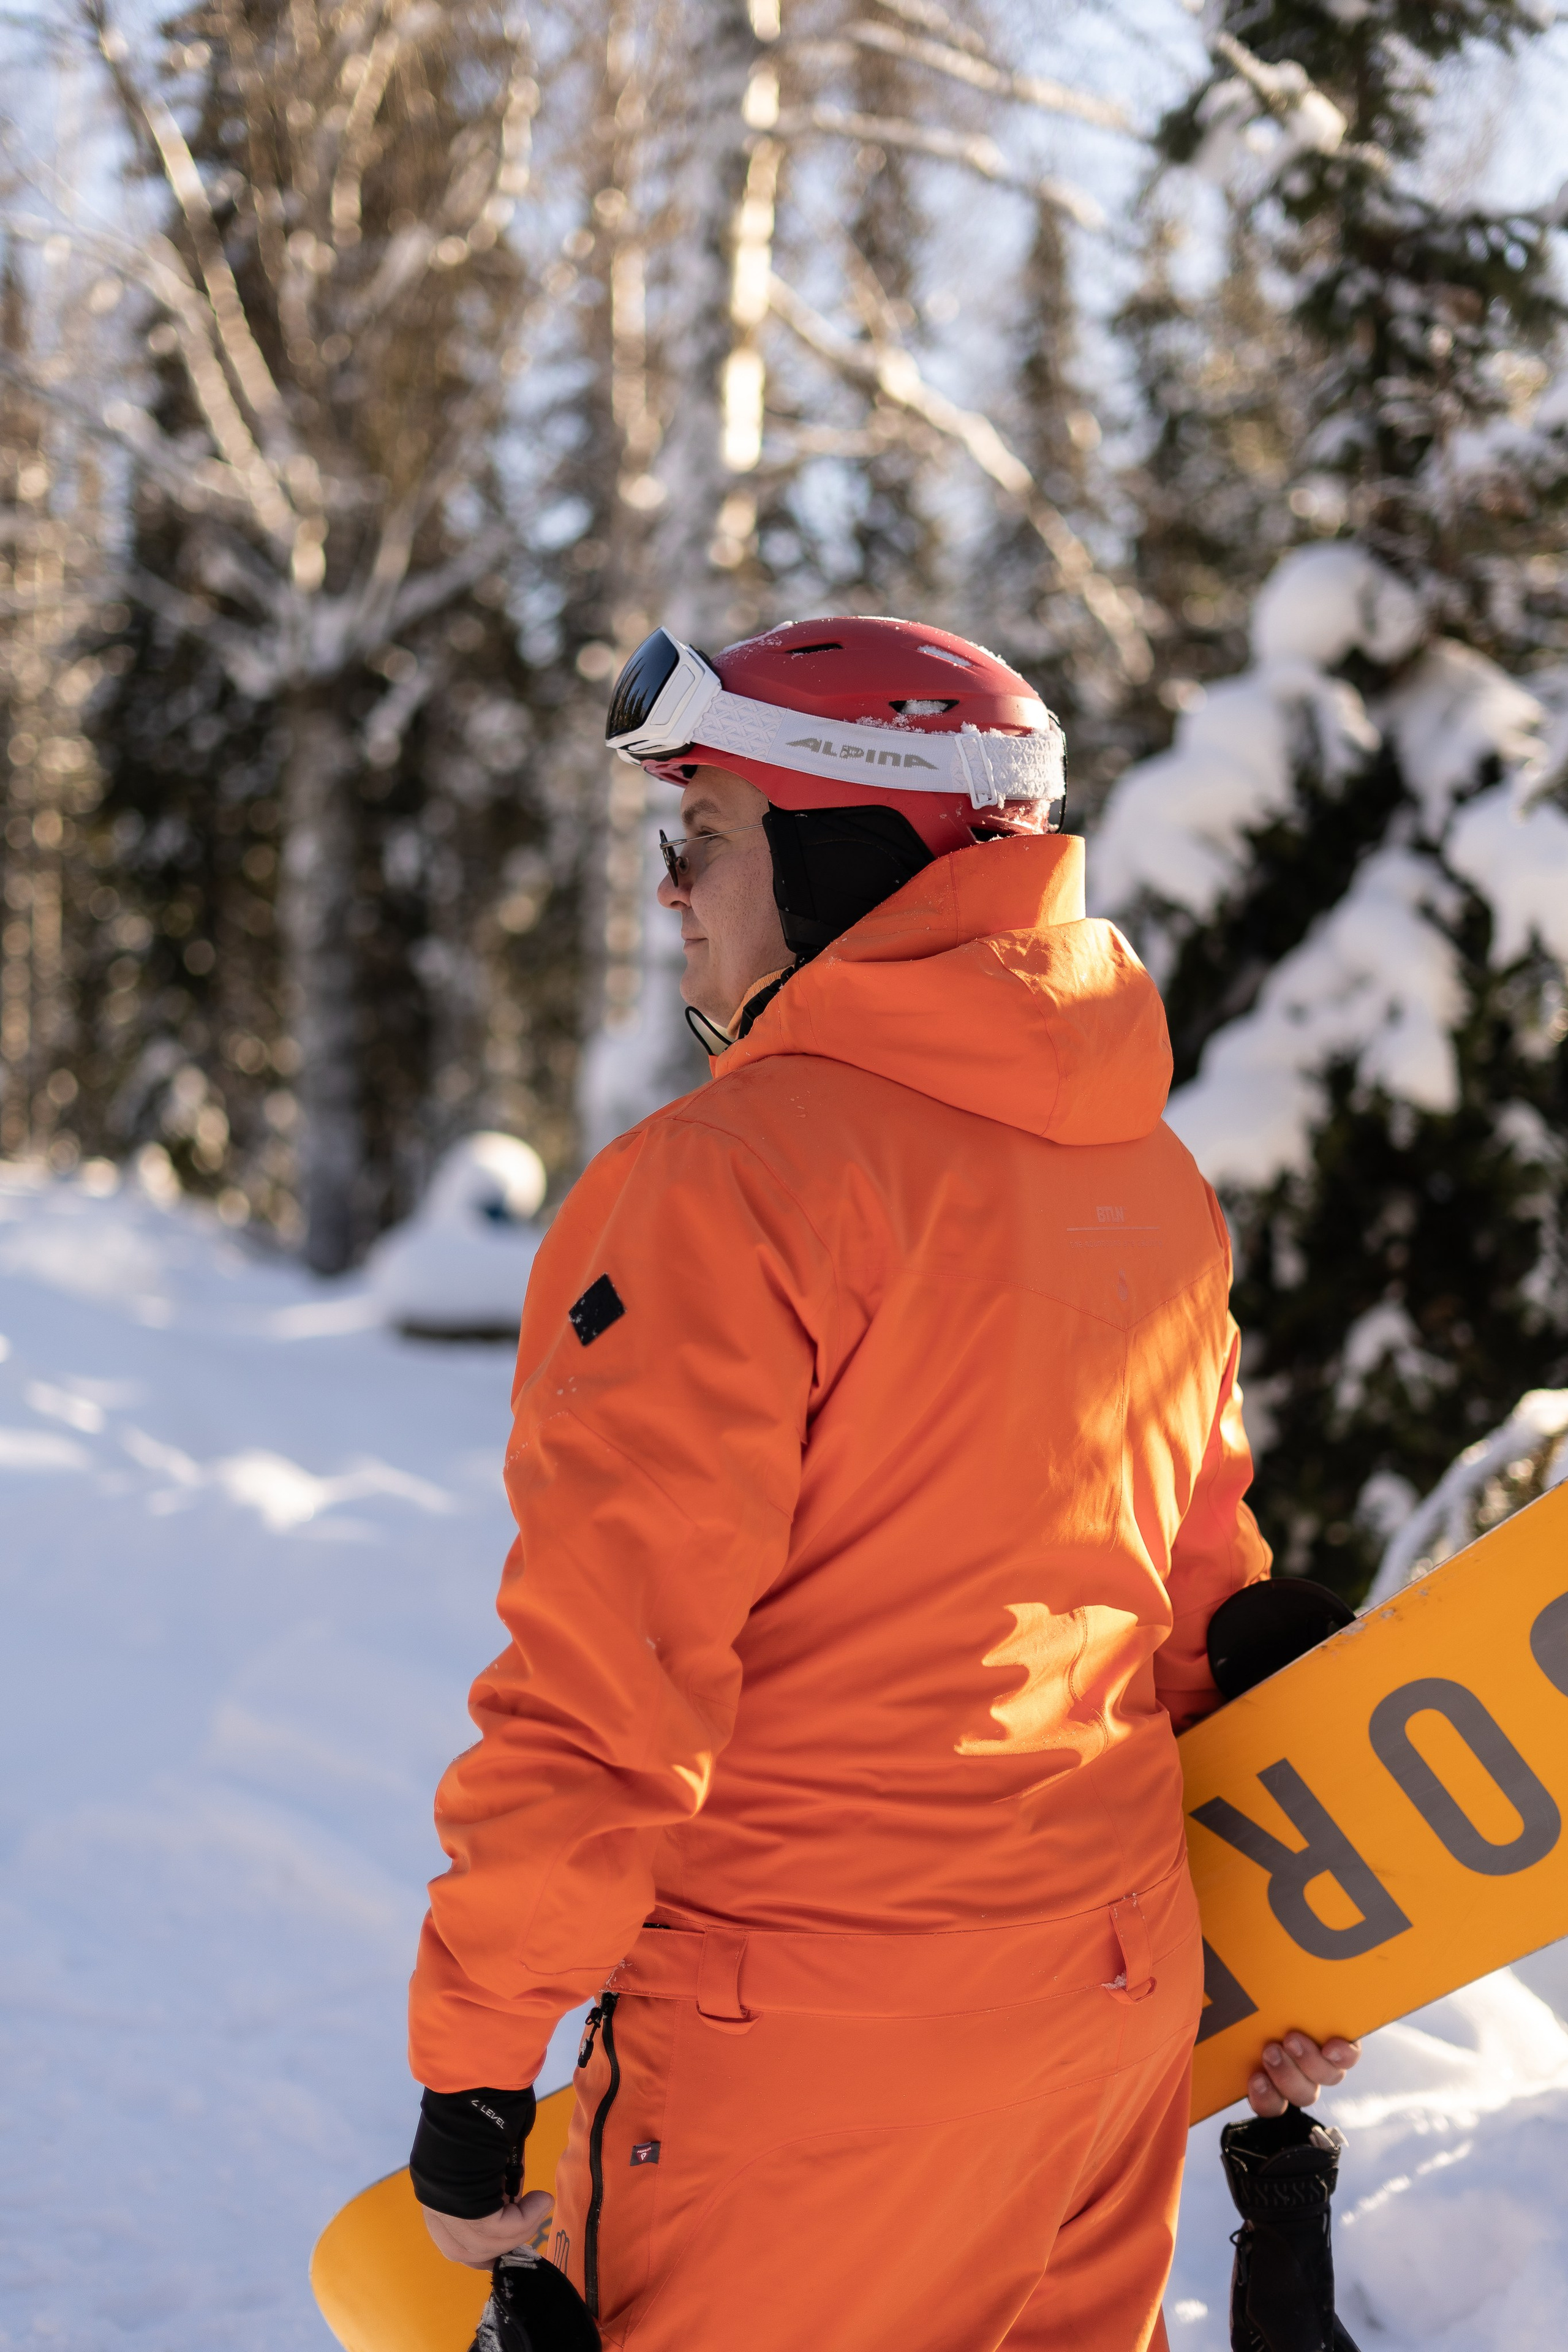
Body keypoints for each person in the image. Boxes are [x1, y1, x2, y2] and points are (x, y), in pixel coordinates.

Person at [405, 618, 1359, 2352]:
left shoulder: (715, 1189)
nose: (672, 890)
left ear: (848, 846)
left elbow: (610, 1692)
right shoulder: (1145, 1179)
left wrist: (478, 2068)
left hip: (809, 2069)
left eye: (701, 837)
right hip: (1105, 2021)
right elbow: (1197, 1616)